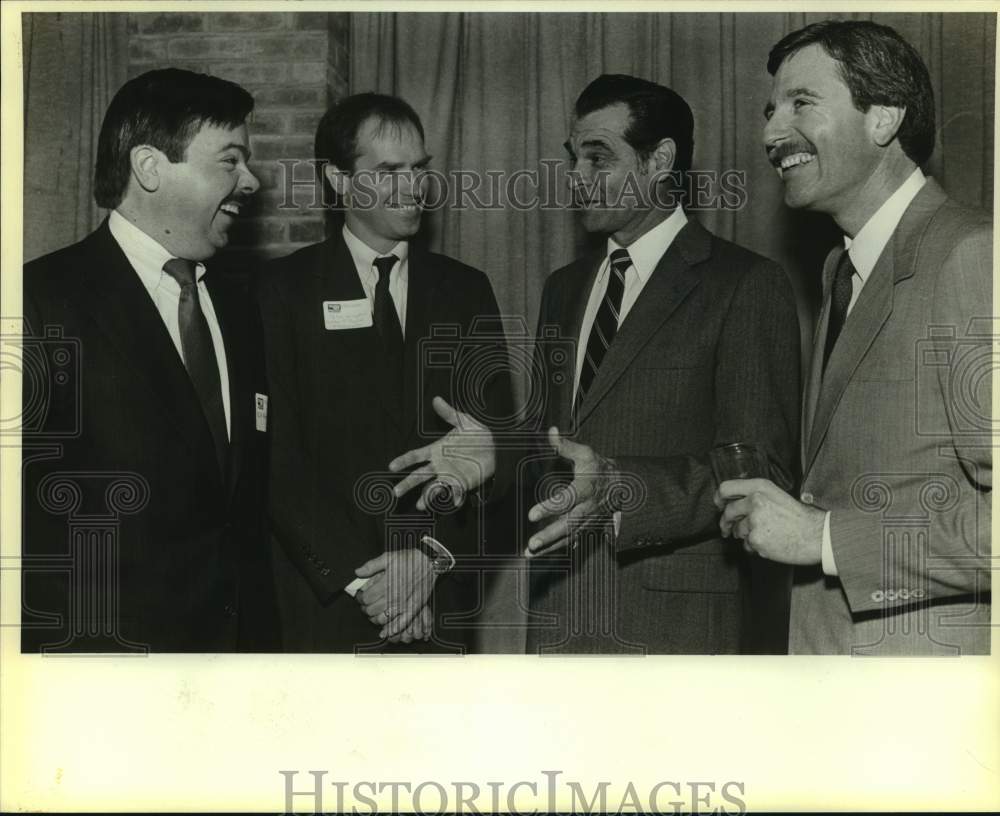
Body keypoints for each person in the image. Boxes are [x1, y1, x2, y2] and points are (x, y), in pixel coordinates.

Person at [718, 20, 992, 655]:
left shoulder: (972, 256)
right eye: (771, 110)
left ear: (884, 119)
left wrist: (823, 539)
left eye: (802, 103)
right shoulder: (841, 272)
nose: (771, 134)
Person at [519, 74, 801, 654]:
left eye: (599, 158)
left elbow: (762, 468)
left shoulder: (745, 284)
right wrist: (489, 454)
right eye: (574, 158)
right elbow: (553, 446)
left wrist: (621, 490)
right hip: (559, 614)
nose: (576, 177)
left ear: (660, 161)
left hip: (675, 628)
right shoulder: (563, 288)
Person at [21, 69, 279, 653]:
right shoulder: (37, 302)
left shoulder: (240, 308)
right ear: (149, 167)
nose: (251, 181)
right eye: (230, 160)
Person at [258, 93, 512, 652]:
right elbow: (277, 465)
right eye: (389, 171)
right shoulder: (280, 293)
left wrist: (429, 561)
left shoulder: (465, 291)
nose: (412, 187)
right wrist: (370, 585)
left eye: (418, 169)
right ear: (340, 181)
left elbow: (498, 453)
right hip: (325, 608)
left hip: (438, 602)